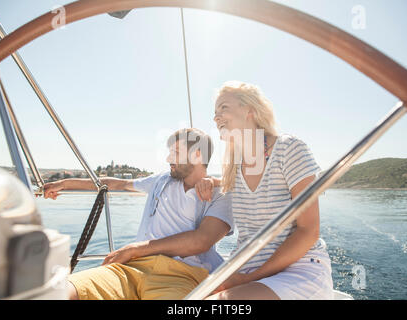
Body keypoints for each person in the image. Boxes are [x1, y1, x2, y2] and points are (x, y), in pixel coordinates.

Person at [42, 128, 234, 300]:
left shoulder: (221, 194)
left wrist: (134, 249)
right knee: (57, 292)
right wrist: (65, 183)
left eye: (175, 153)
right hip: (133, 268)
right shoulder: (162, 180)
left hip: (182, 275)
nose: (168, 159)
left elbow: (200, 241)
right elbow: (119, 183)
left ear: (197, 155)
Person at [196, 81, 334, 300]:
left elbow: (308, 230)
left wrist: (246, 279)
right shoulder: (234, 166)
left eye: (224, 108)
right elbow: (239, 186)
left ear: (250, 111)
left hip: (297, 272)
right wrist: (211, 183)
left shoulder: (289, 149)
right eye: (215, 112)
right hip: (248, 271)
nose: (216, 117)